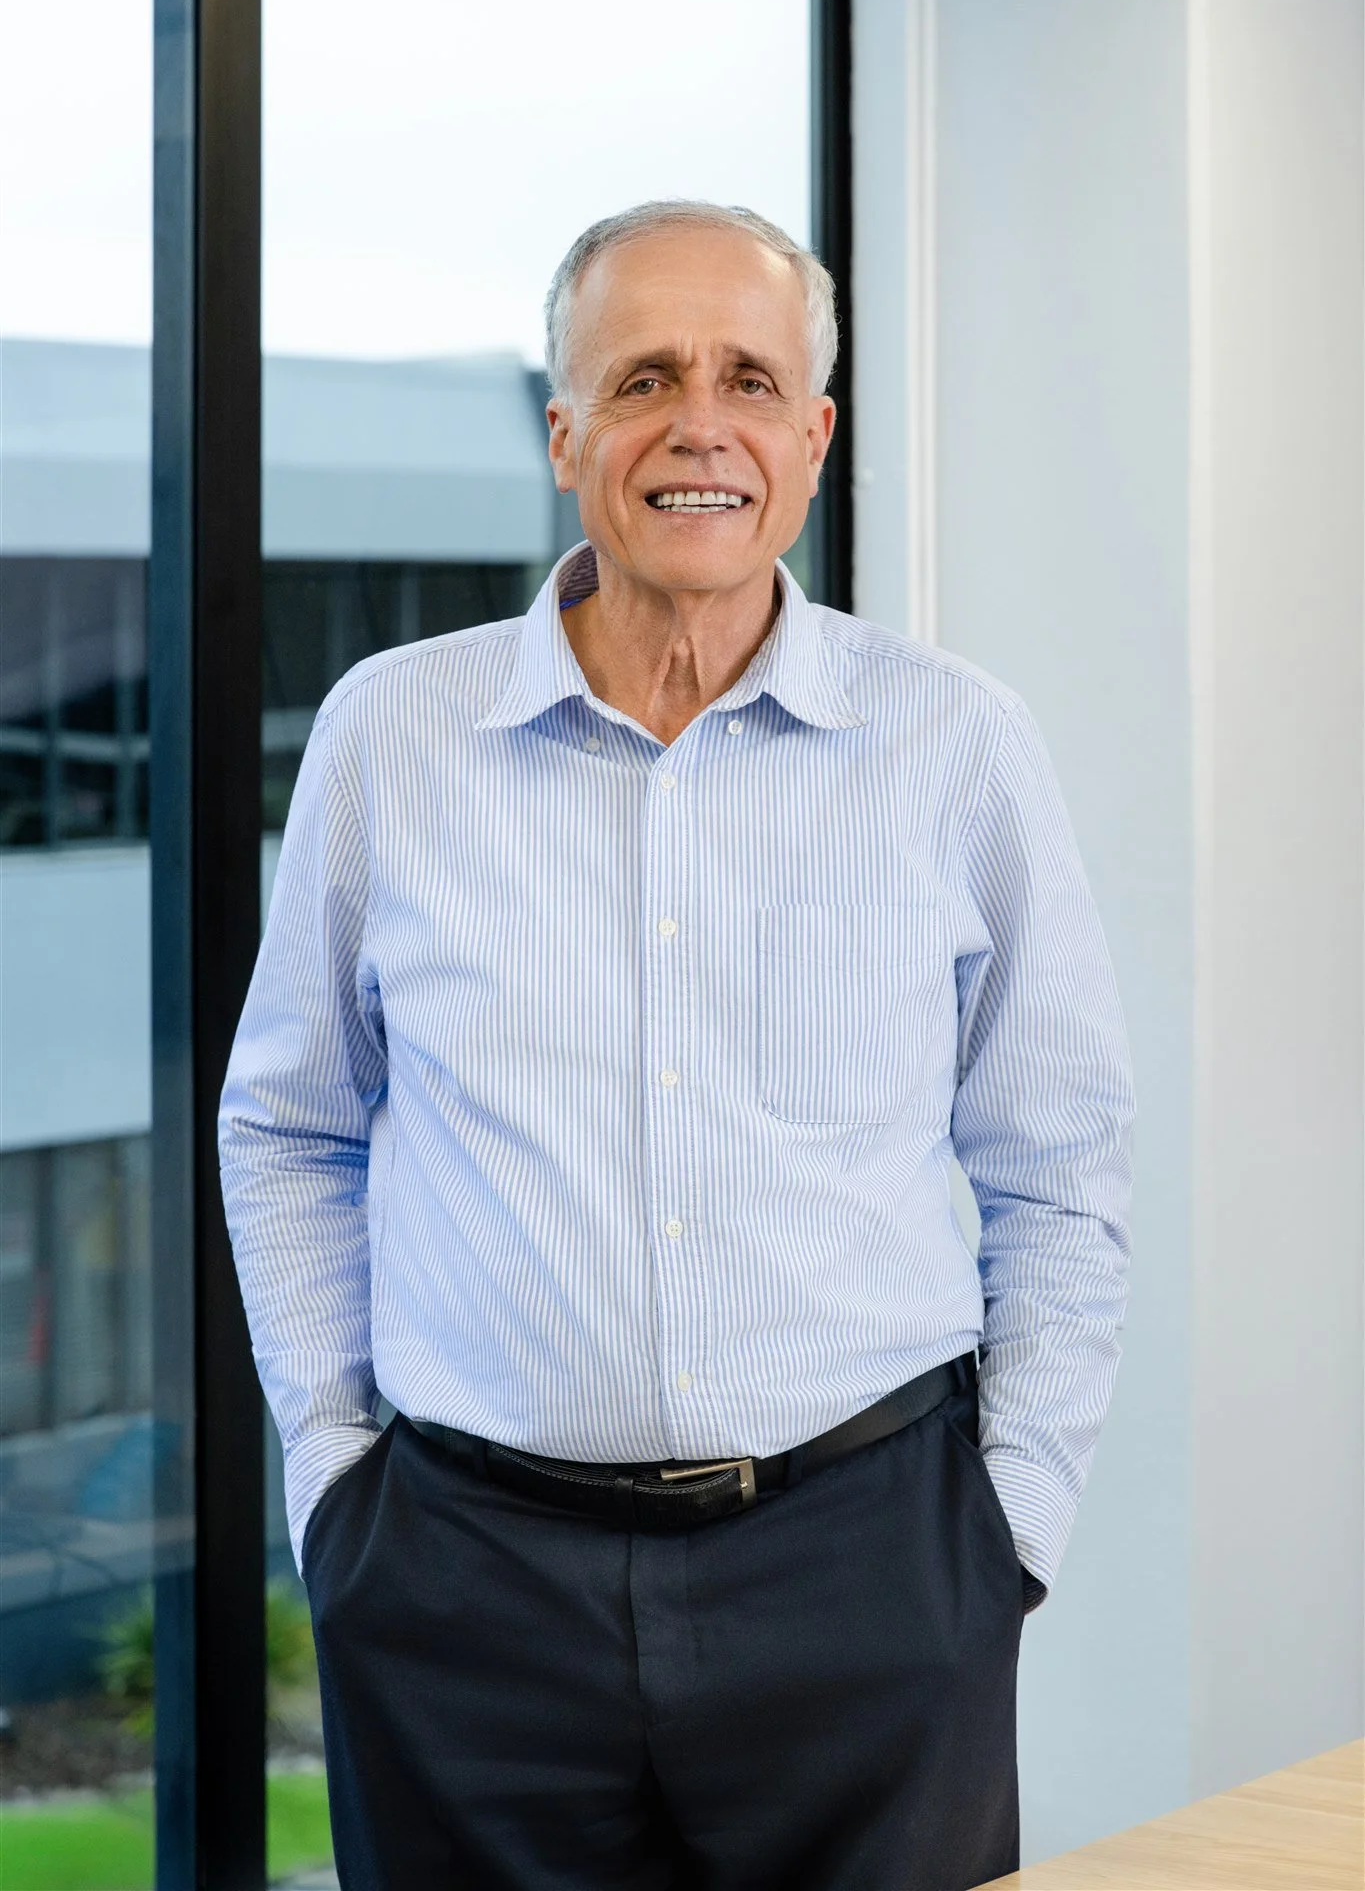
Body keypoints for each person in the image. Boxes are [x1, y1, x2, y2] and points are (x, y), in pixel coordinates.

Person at [220, 200, 1134, 1891]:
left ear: (813, 438)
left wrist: (1007, 1524)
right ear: (563, 430)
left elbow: (1059, 1160)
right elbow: (289, 1124)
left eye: (749, 379)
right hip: (462, 1584)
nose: (698, 424)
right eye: (642, 378)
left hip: (870, 1572)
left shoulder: (955, 746)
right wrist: (340, 1474)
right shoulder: (389, 737)